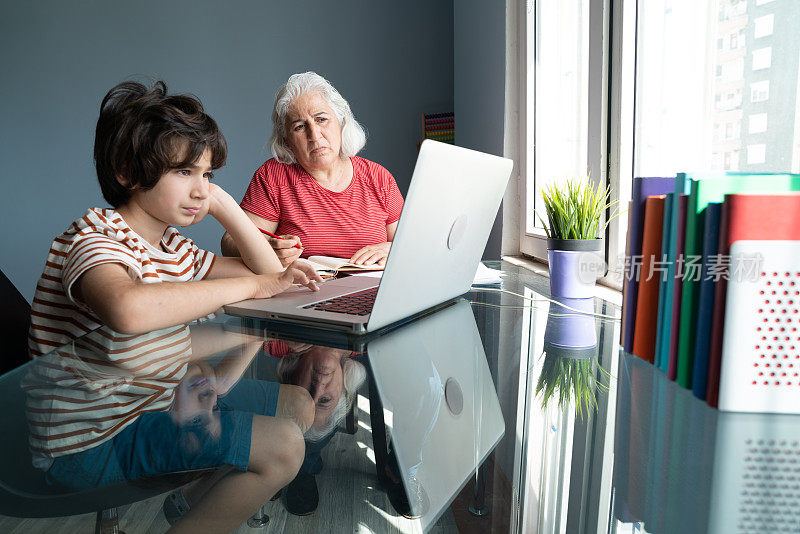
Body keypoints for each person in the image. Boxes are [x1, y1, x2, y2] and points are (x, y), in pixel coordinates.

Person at [25, 80, 322, 533]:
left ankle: (188, 502)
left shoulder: (172, 247)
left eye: (208, 175)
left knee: (299, 404)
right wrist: (256, 286)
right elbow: (128, 310)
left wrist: (224, 206)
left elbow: (269, 281)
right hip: (89, 441)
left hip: (152, 401)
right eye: (185, 172)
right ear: (127, 172)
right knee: (283, 445)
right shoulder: (93, 240)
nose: (201, 189)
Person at [221, 71, 404, 268]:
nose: (314, 135)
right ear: (287, 141)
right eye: (299, 127)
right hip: (306, 292)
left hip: (372, 293)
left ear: (342, 122)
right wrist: (265, 247)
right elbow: (229, 241)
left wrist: (392, 248)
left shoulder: (379, 177)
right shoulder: (273, 176)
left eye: (321, 119)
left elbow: (412, 242)